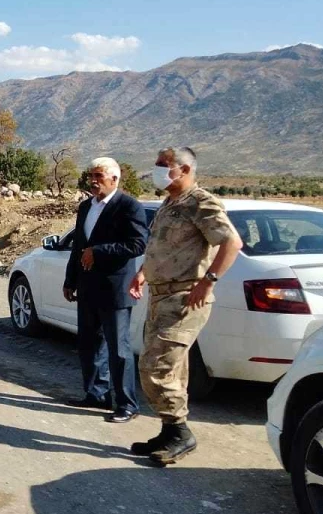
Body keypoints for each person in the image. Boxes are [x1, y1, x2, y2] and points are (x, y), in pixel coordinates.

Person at [128, 147, 242, 465]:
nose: (158, 170)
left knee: (155, 367)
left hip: (184, 296)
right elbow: (159, 248)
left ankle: (180, 432)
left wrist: (208, 281)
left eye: (164, 166)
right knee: (173, 369)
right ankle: (170, 430)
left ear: (186, 169)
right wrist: (142, 274)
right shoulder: (169, 204)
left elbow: (231, 242)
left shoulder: (200, 202)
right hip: (160, 295)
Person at [62, 157, 149, 422]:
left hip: (115, 289)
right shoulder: (85, 207)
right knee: (89, 344)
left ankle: (127, 404)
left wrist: (98, 252)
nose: (93, 181)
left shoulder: (129, 206)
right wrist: (70, 279)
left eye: (99, 175)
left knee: (118, 350)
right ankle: (96, 394)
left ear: (115, 179)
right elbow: (78, 247)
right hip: (88, 287)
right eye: (91, 175)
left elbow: (137, 245)